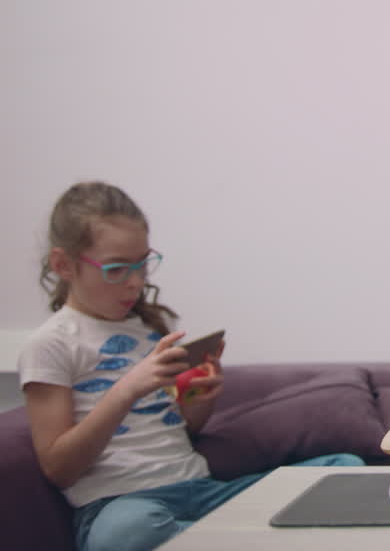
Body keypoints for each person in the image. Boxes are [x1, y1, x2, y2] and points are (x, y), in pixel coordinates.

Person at [18, 181, 362, 551]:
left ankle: (223, 538)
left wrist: (199, 400)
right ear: (63, 265)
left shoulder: (148, 329)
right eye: (116, 268)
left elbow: (179, 429)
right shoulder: (51, 345)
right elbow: (59, 468)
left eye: (143, 264)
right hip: (123, 505)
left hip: (202, 494)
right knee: (122, 535)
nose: (136, 282)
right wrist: (126, 390)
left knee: (345, 468)